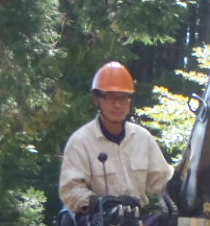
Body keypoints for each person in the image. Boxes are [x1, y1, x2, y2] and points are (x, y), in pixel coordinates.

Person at [58, 61, 174, 214]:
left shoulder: (142, 138)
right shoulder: (80, 142)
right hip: (96, 221)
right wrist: (99, 204)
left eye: (123, 98)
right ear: (96, 99)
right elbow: (70, 189)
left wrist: (183, 188)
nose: (118, 105)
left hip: (137, 220)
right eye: (111, 98)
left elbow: (163, 180)